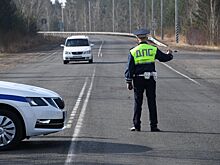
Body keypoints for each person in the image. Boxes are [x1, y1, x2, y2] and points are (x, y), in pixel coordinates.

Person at [125, 28, 173, 132]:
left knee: (138, 102)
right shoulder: (153, 49)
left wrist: (128, 81)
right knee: (152, 102)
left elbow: (130, 67)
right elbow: (164, 58)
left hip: (138, 79)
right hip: (151, 79)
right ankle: (154, 126)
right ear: (146, 37)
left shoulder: (133, 51)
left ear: (137, 39)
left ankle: (137, 125)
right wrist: (170, 54)